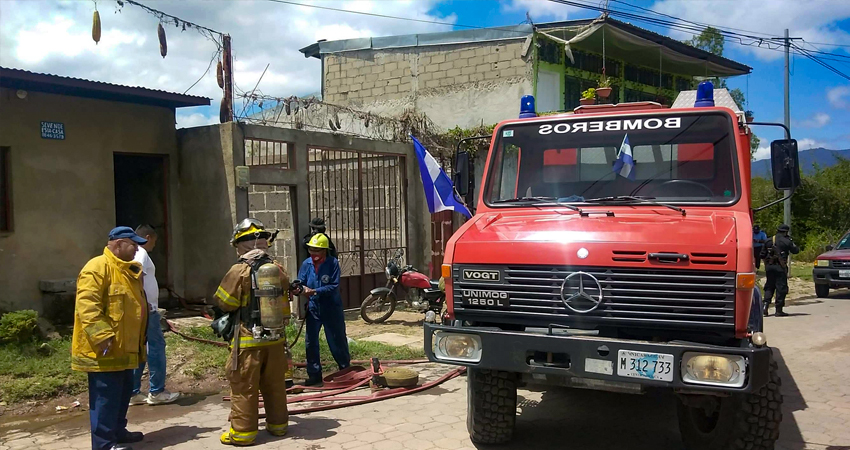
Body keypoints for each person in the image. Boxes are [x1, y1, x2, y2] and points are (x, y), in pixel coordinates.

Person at [214, 218, 289, 446]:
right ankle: (278, 426)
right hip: (275, 339)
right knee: (275, 385)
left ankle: (242, 434)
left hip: (248, 341)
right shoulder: (277, 268)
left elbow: (225, 302)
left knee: (244, 387)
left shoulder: (239, 270)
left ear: (240, 244)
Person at [72, 227, 149, 450]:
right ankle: (104, 444)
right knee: (105, 398)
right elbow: (87, 306)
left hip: (126, 349)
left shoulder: (127, 271)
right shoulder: (97, 268)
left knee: (122, 394)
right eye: (133, 244)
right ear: (117, 244)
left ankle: (117, 432)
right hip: (105, 350)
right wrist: (102, 336)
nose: (136, 249)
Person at [129, 225, 180, 406]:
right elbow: (136, 277)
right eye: (154, 241)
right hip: (147, 311)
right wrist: (145, 304)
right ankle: (157, 391)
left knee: (140, 350)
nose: (154, 245)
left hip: (142, 310)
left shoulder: (134, 253)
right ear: (148, 237)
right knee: (156, 348)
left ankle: (133, 392)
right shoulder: (141, 253)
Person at [295, 233, 350, 386]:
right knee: (310, 342)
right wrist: (298, 288)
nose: (313, 253)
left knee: (336, 340)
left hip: (331, 307)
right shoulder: (306, 264)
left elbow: (333, 286)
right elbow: (301, 281)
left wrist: (314, 291)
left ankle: (345, 371)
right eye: (311, 250)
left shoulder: (332, 264)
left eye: (317, 250)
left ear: (325, 250)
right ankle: (314, 375)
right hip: (313, 308)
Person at [762, 224, 800, 317]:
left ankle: (765, 306)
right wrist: (791, 241)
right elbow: (796, 250)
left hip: (769, 267)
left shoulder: (768, 240)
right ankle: (778, 310)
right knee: (781, 288)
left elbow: (762, 254)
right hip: (780, 267)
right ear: (786, 232)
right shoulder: (786, 241)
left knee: (769, 286)